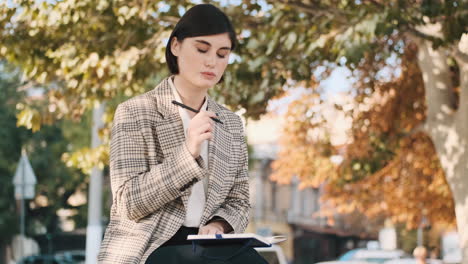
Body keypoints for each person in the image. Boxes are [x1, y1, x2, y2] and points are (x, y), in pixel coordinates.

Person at [97, 4, 266, 264]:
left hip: (209, 248)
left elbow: (239, 200)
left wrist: (220, 224)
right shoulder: (135, 112)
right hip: (151, 246)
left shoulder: (231, 123)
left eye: (223, 54)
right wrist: (187, 154)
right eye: (201, 49)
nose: (212, 61)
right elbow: (129, 203)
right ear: (175, 46)